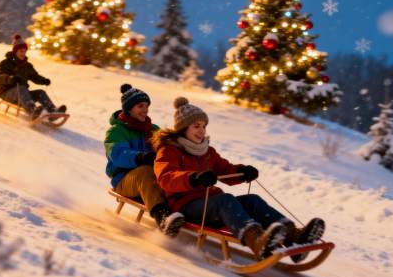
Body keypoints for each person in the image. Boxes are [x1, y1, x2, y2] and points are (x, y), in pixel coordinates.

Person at [153, 97, 325, 260]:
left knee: (252, 200)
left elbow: (225, 170)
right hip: (185, 205)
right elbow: (166, 178)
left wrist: (242, 172)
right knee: (225, 200)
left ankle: (293, 236)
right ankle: (256, 240)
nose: (202, 131)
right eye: (196, 126)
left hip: (209, 202)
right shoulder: (169, 150)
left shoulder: (207, 151)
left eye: (204, 126)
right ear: (183, 128)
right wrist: (193, 178)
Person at [105, 84, 185, 236]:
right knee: (146, 172)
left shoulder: (153, 129)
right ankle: (163, 217)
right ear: (128, 108)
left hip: (151, 175)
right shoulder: (116, 131)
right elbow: (117, 154)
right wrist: (141, 157)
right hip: (124, 179)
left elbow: (168, 148)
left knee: (171, 173)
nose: (145, 109)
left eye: (147, 106)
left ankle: (185, 209)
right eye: (140, 106)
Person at [0, 34, 66, 120]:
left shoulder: (27, 65)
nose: (23, 53)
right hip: (6, 93)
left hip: (23, 95)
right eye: (21, 51)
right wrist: (10, 79)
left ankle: (53, 112)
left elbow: (34, 76)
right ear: (15, 51)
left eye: (25, 51)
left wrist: (43, 80)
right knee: (21, 88)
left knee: (40, 92)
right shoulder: (6, 63)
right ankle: (32, 111)